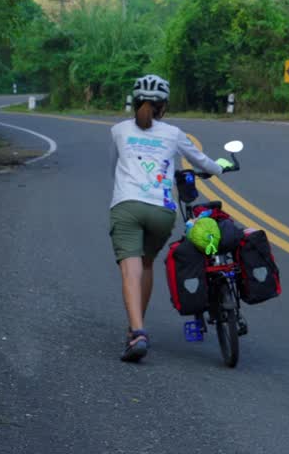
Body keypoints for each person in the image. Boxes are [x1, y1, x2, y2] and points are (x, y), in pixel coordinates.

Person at [109, 74, 232, 362]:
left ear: (135, 102)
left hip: (127, 205)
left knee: (131, 270)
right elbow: (205, 164)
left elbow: (112, 167)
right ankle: (136, 326)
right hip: (162, 211)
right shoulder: (174, 134)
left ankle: (137, 331)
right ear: (163, 106)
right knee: (147, 263)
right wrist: (221, 168)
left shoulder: (118, 130)